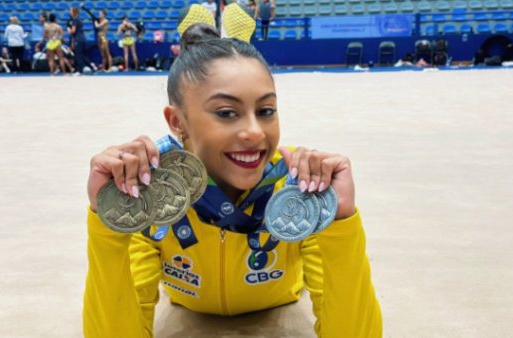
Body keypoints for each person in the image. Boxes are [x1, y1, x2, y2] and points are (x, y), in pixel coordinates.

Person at [83, 19, 382, 338]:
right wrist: (108, 224)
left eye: (266, 110)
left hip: (280, 302)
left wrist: (340, 224)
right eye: (226, 112)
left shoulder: (298, 187)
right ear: (177, 121)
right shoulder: (152, 193)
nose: (255, 132)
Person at [69, 6, 94, 75]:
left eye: (70, 11)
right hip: (82, 38)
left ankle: (80, 71)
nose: (69, 12)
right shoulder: (79, 19)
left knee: (78, 55)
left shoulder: (75, 20)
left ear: (73, 12)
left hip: (78, 39)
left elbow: (73, 31)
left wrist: (69, 30)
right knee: (84, 55)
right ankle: (91, 68)